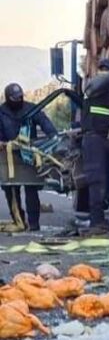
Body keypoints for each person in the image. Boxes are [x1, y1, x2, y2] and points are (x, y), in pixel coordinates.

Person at [0, 83, 58, 231]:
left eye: (20, 97)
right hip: (8, 156)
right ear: (8, 98)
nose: (18, 100)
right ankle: (19, 221)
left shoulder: (31, 109)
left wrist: (53, 136)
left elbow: (45, 122)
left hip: (29, 154)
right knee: (11, 191)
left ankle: (34, 224)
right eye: (15, 98)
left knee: (31, 188)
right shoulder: (1, 112)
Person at [79, 58, 109, 235]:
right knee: (97, 180)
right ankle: (96, 221)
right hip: (95, 139)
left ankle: (106, 217)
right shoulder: (92, 86)